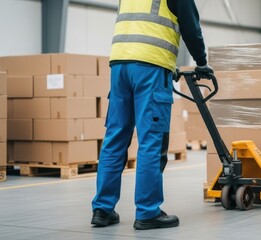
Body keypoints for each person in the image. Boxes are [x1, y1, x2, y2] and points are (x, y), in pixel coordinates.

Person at [91, 0, 213, 230]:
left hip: (119, 65)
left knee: (115, 137)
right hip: (151, 67)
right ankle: (148, 212)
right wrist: (201, 62)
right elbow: (191, 28)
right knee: (151, 141)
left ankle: (102, 209)